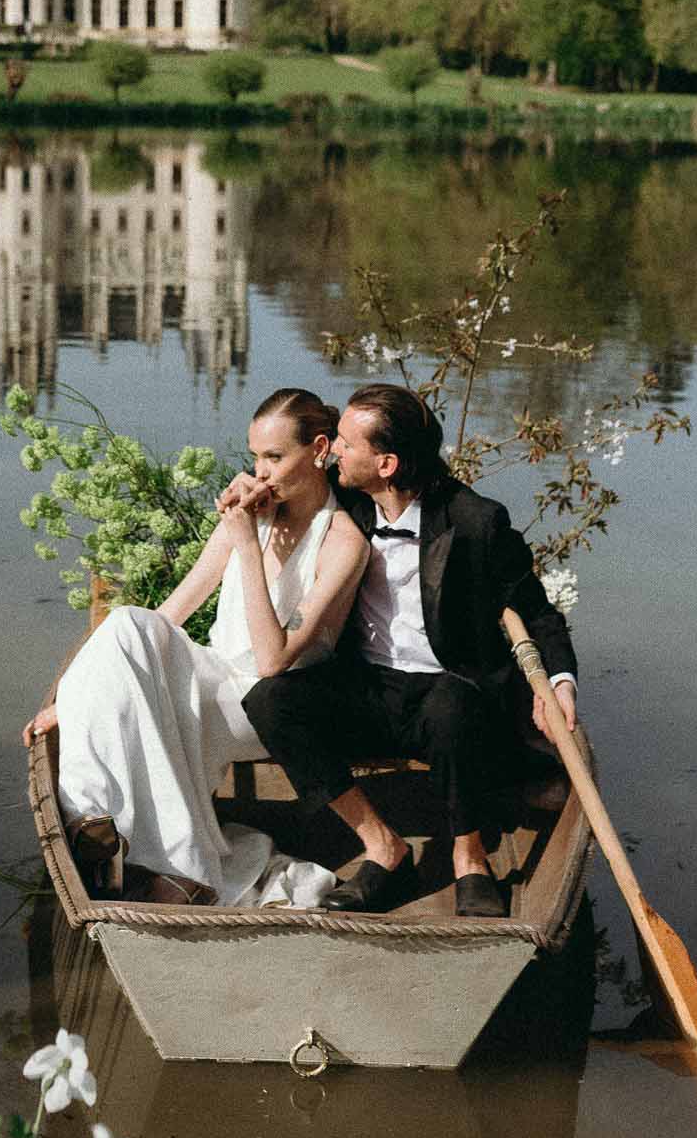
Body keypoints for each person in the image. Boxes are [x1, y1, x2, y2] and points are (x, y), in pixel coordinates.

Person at [22, 388, 370, 907]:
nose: (261, 471)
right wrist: (74, 696)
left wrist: (247, 543)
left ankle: (177, 867)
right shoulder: (254, 514)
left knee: (155, 683)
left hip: (269, 701)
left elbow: (275, 660)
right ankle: (92, 822)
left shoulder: (343, 541)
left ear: (319, 449)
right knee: (124, 624)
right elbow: (169, 615)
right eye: (256, 456)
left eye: (275, 457)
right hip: (214, 670)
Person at [242, 382, 578, 918]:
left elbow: (536, 613)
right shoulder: (343, 498)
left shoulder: (475, 521)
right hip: (366, 684)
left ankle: (470, 857)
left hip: (445, 687)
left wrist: (559, 682)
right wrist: (256, 495)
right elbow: (289, 476)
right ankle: (383, 845)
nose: (333, 452)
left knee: (453, 708)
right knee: (269, 701)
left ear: (387, 463)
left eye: (348, 444)